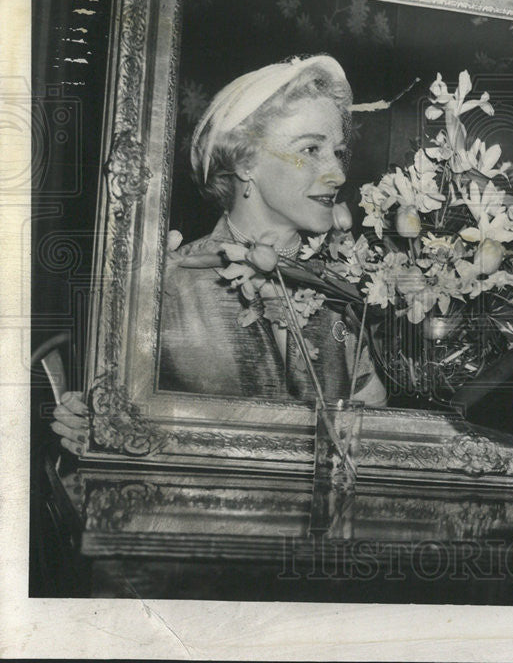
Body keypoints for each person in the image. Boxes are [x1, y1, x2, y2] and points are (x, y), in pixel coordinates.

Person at [52, 55, 387, 455]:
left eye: (337, 152)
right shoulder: (168, 286)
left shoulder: (347, 290)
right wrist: (88, 425)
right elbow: (122, 432)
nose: (338, 173)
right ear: (246, 161)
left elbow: (376, 440)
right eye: (311, 149)